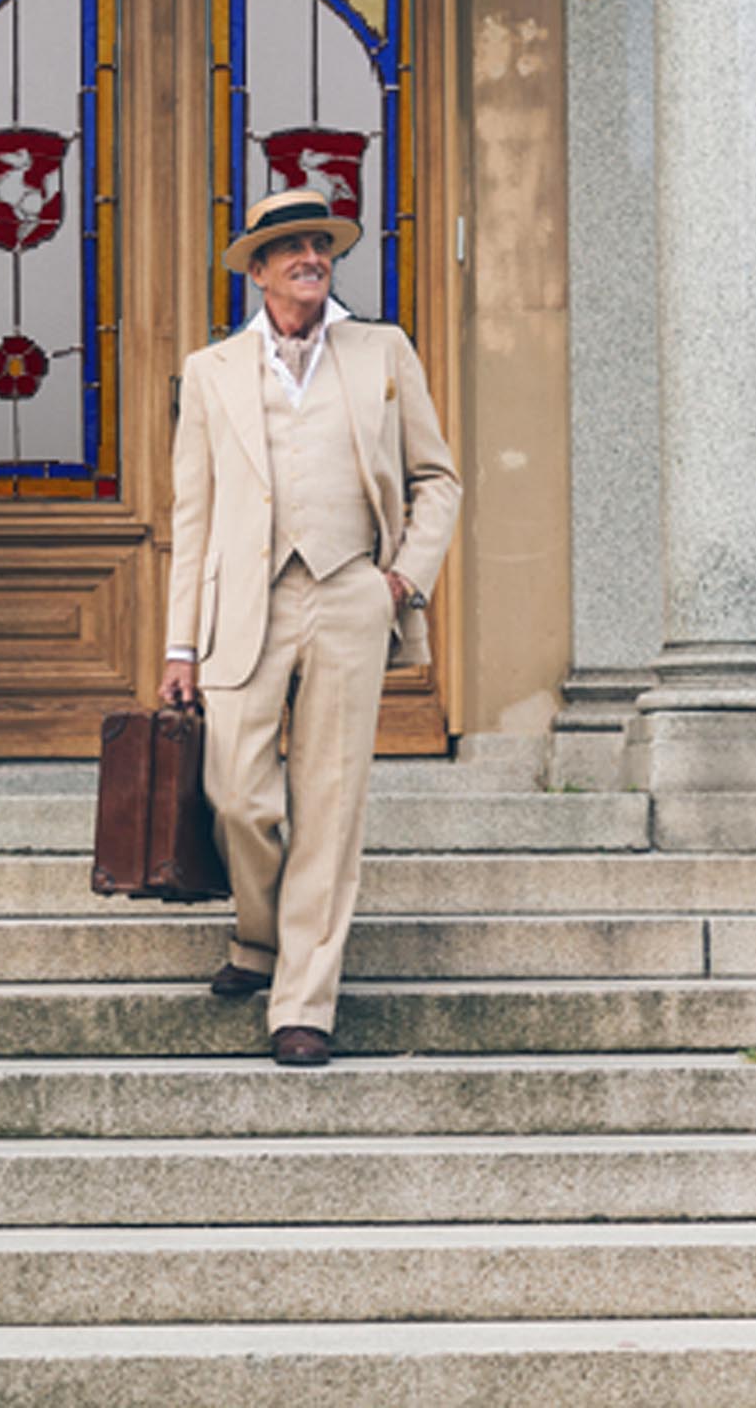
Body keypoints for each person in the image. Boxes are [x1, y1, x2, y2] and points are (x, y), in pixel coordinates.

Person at [159, 187, 461, 1067]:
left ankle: (302, 1001)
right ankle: (258, 936)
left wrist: (402, 578)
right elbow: (195, 513)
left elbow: (434, 479)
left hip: (348, 596)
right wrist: (180, 643)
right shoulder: (210, 370)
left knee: (330, 804)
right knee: (238, 798)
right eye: (288, 246)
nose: (309, 258)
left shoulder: (382, 352)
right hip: (240, 607)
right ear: (256, 269)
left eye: (319, 244)